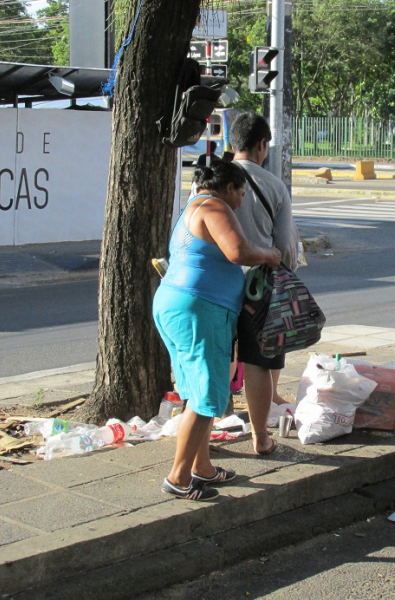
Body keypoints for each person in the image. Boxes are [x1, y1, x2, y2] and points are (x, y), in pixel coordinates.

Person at [153, 162, 281, 501]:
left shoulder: (192, 207)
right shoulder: (213, 206)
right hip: (200, 308)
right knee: (208, 394)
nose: (240, 201)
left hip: (180, 304)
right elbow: (237, 251)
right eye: (240, 193)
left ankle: (203, 467)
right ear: (228, 187)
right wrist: (268, 254)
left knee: (195, 391)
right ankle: (178, 478)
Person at [230, 112, 300, 456]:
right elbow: (285, 245)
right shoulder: (274, 186)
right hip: (259, 286)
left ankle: (211, 422)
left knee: (217, 357)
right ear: (262, 145)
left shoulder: (211, 179)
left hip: (215, 284)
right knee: (257, 361)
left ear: (232, 142)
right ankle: (260, 436)